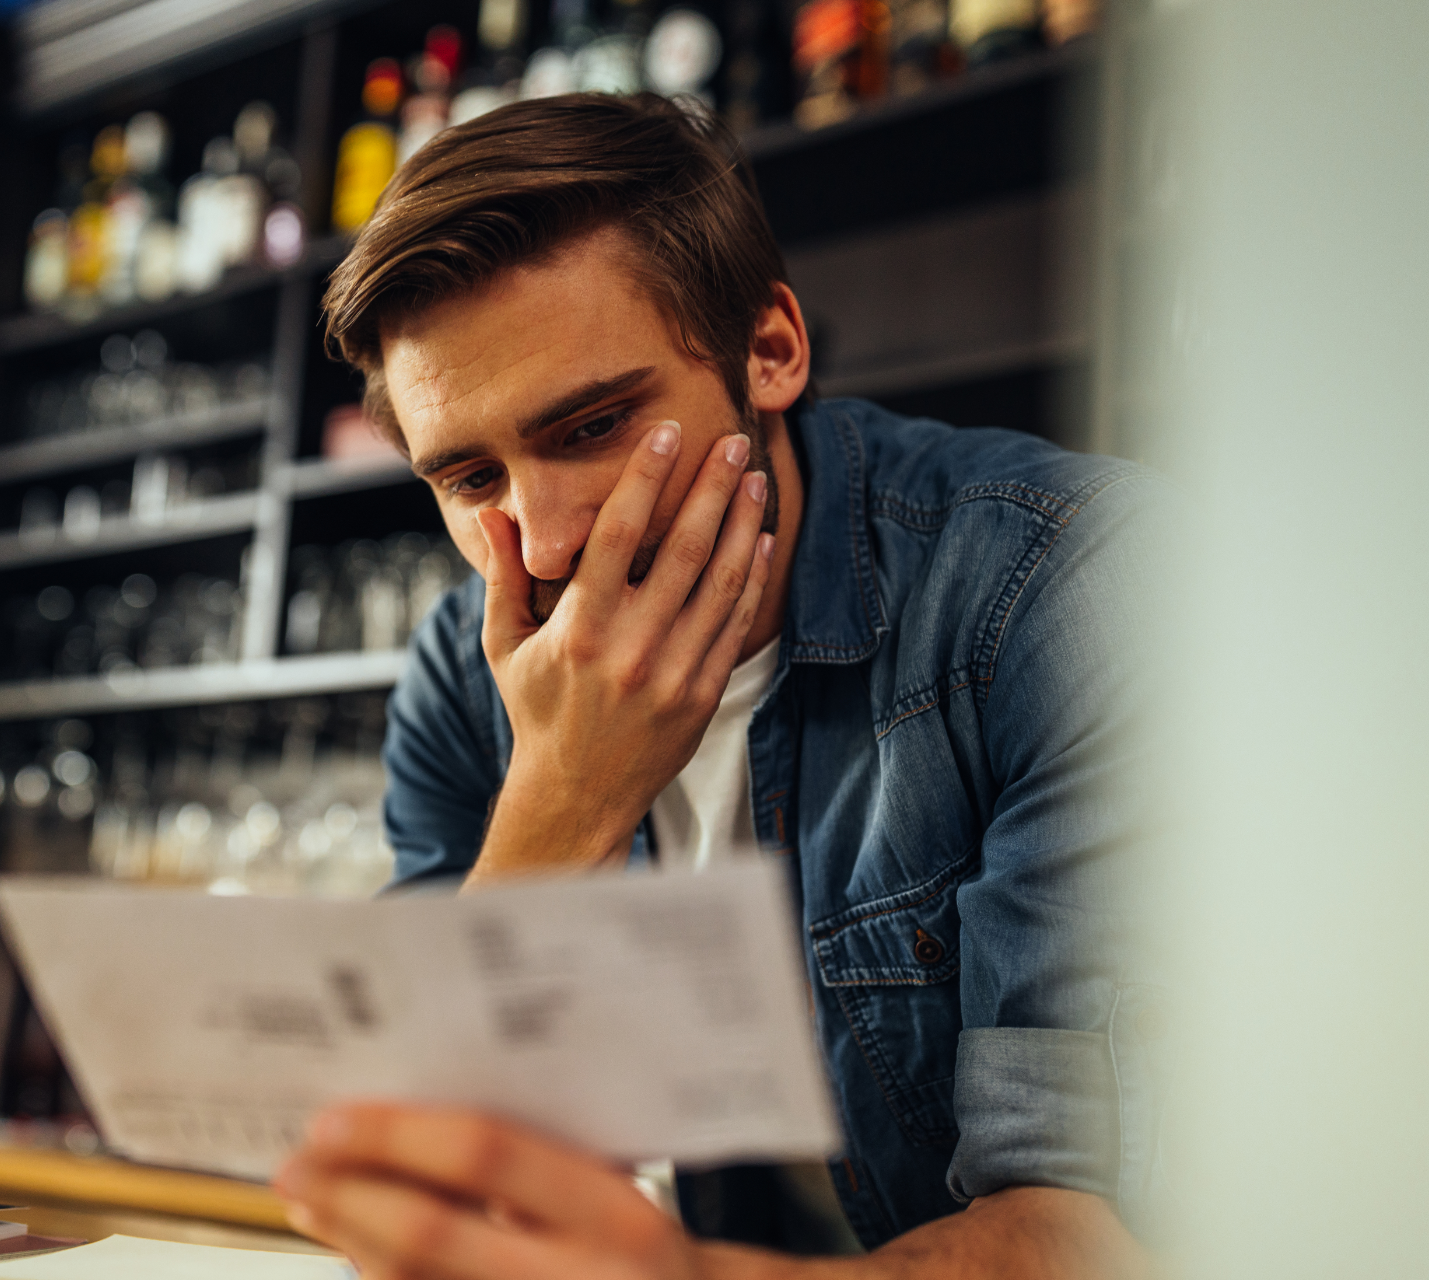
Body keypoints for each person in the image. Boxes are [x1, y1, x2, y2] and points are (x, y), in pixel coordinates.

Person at [272, 93, 1161, 1279]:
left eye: (592, 426)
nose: (538, 543)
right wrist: (560, 800)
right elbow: (413, 1178)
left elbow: (1097, 1232)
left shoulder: (1063, 585)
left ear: (771, 349)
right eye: (470, 474)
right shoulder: (461, 666)